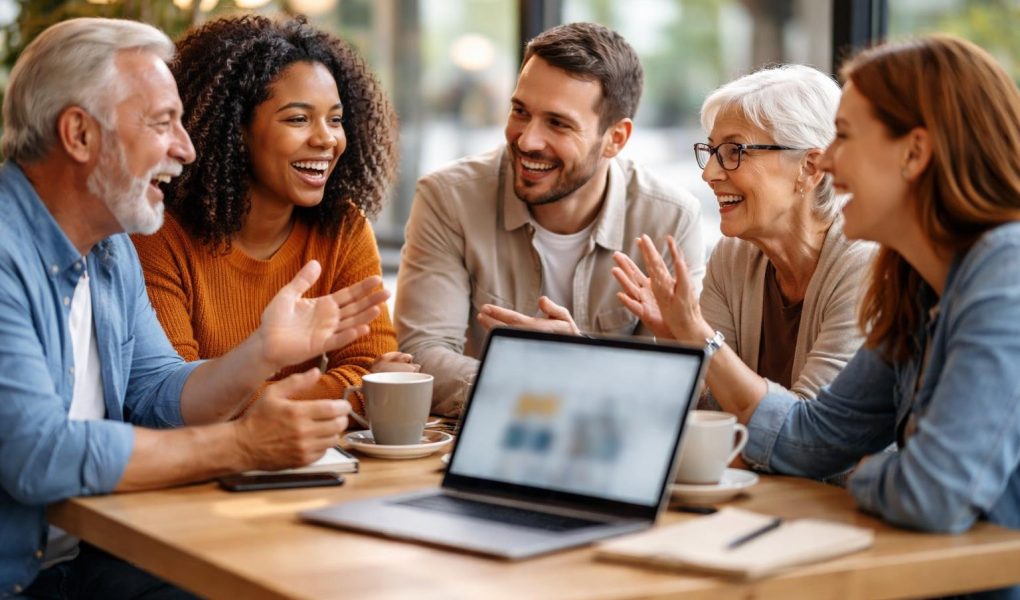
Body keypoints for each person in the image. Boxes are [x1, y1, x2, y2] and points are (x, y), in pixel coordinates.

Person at [0, 18, 388, 598]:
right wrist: (243, 445)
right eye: (162, 124)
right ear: (79, 134)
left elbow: (156, 392)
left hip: (83, 560)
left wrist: (260, 353)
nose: (186, 148)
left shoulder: (108, 251)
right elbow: (37, 453)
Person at [650, 34, 1020, 592]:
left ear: (914, 153)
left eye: (844, 137)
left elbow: (932, 494)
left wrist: (864, 473)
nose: (827, 158)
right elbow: (810, 438)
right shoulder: (915, 285)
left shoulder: (1006, 274)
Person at [395, 22, 705, 416]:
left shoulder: (669, 219)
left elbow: (678, 383)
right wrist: (551, 382)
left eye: (557, 123)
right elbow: (421, 357)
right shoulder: (449, 198)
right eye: (520, 111)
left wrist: (570, 367)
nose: (527, 140)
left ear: (616, 138)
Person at [131, 15, 412, 418]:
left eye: (335, 119)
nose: (326, 139)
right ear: (235, 129)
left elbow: (380, 371)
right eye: (298, 119)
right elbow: (179, 401)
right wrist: (351, 394)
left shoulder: (343, 228)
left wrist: (250, 396)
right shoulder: (159, 234)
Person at [613, 65, 875, 409]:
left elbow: (811, 431)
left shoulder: (864, 266)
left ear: (810, 167)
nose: (709, 173)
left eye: (735, 151)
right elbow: (710, 410)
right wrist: (677, 340)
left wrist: (699, 336)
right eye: (711, 151)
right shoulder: (733, 256)